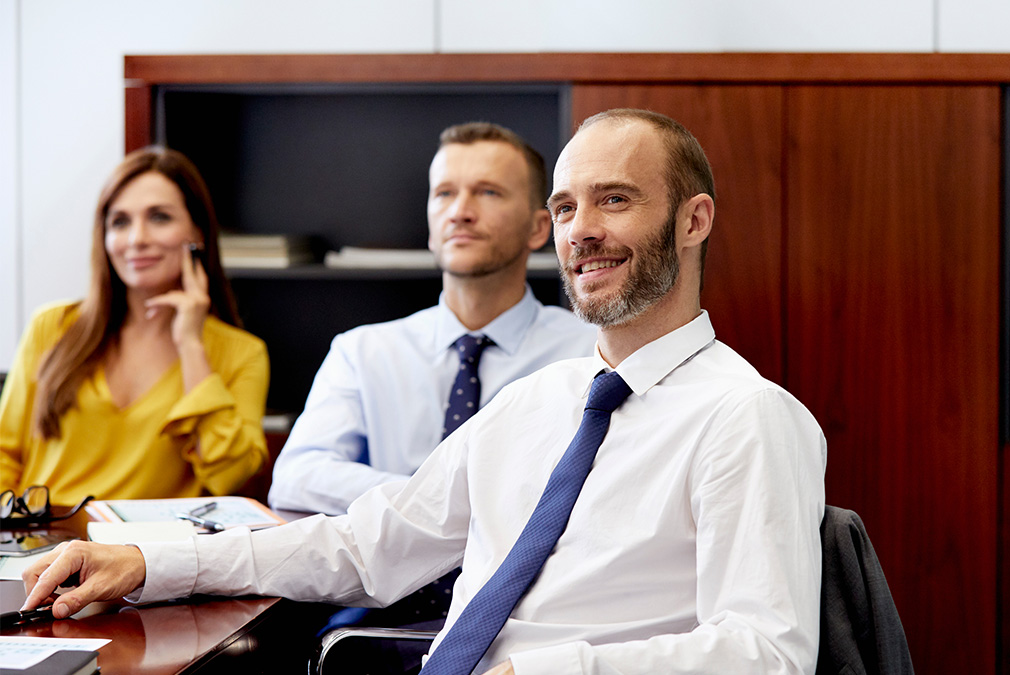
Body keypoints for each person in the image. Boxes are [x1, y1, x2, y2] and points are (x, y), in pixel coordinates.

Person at [23, 109, 827, 675]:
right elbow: (364, 546)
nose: (581, 229)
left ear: (694, 221)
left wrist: (544, 670)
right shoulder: (537, 402)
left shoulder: (747, 416)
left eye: (614, 199)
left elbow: (767, 652)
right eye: (565, 206)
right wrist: (148, 561)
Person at [267, 122, 596, 517]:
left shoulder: (590, 352)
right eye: (444, 193)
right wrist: (437, 501)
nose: (460, 212)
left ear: (539, 228)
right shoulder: (362, 352)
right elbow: (296, 478)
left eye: (488, 192)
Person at [0, 147, 268, 505]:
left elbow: (231, 476)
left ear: (198, 233)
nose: (137, 238)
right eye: (120, 222)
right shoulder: (51, 327)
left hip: (152, 542)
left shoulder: (242, 353)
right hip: (44, 536)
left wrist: (191, 345)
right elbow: (4, 455)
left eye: (159, 217)